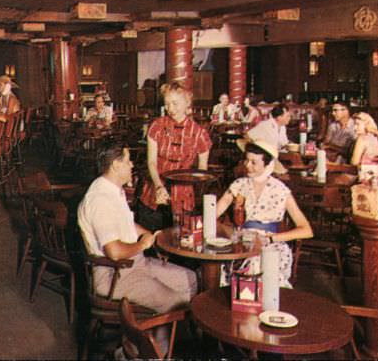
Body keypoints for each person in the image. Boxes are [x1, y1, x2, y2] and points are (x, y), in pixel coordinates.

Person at [78, 144, 197, 314]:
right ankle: (153, 337)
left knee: (191, 280)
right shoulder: (100, 200)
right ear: (116, 165)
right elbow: (114, 252)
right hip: (114, 275)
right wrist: (142, 245)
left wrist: (148, 235)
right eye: (128, 161)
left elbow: (126, 223)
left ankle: (160, 330)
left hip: (134, 264)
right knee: (177, 302)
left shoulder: (112, 189)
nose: (132, 165)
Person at [215, 141, 312, 288]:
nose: (247, 165)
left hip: (271, 245)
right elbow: (213, 213)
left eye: (254, 162)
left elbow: (306, 230)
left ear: (267, 165)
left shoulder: (280, 190)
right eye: (246, 160)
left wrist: (271, 239)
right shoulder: (238, 185)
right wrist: (227, 232)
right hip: (241, 243)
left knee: (260, 264)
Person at [138, 82, 212, 232]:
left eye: (175, 103)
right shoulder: (157, 126)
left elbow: (202, 170)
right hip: (154, 190)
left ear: (187, 103)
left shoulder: (199, 134)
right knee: (149, 238)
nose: (170, 109)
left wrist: (191, 184)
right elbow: (151, 162)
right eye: (167, 104)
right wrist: (159, 186)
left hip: (183, 197)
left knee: (179, 241)